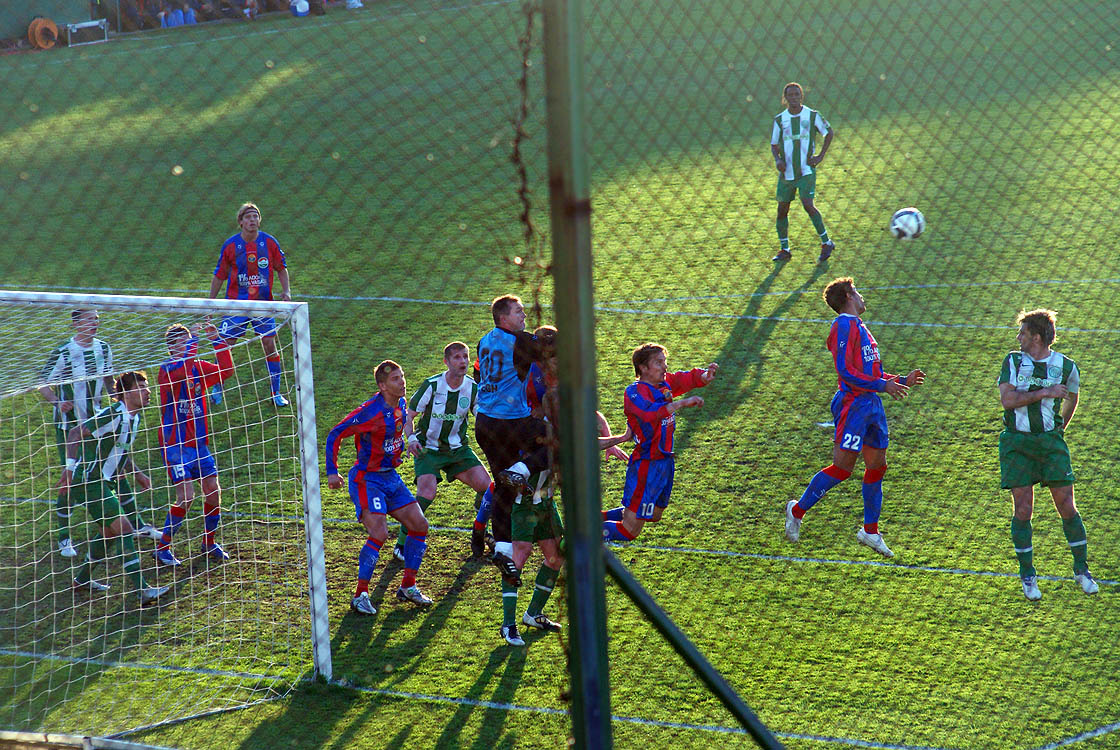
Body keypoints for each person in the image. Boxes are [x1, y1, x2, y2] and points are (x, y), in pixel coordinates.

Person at [499, 328, 632, 646]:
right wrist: (618, 440)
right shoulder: (536, 384)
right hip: (530, 481)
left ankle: (532, 614)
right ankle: (507, 625)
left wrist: (606, 432)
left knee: (555, 556)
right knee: (520, 553)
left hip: (546, 490)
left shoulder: (559, 383)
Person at [784, 277, 925, 557]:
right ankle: (796, 510)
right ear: (849, 295)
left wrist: (899, 380)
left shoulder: (860, 327)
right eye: (858, 291)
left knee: (877, 466)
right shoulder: (843, 325)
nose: (863, 297)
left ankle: (870, 531)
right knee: (842, 468)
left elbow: (870, 374)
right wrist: (883, 385)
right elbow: (845, 372)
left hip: (871, 404)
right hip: (853, 405)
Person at [998, 309, 1097, 600]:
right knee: (1023, 510)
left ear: (1037, 337)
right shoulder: (1014, 361)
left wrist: (1059, 428)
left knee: (1067, 506)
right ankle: (1028, 575)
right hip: (1017, 443)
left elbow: (1073, 396)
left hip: (1051, 444)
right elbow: (1008, 400)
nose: (1018, 338)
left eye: (1023, 333)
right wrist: (1044, 393)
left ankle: (1082, 569)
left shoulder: (1066, 366)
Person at [326, 360, 433, 616]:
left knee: (420, 525)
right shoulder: (370, 412)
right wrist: (332, 471)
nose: (403, 381)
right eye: (396, 379)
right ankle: (360, 594)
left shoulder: (401, 403)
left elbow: (404, 422)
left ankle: (408, 586)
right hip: (367, 480)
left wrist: (409, 440)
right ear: (383, 386)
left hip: (391, 478)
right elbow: (335, 434)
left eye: (402, 376)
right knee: (380, 533)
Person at [60, 371, 171, 607]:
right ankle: (143, 590)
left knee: (109, 533)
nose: (147, 391)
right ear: (125, 392)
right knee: (124, 528)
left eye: (147, 386)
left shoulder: (134, 418)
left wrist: (138, 474)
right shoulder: (113, 414)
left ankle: (81, 580)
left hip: (103, 482)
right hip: (89, 481)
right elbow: (74, 433)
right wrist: (69, 470)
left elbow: (119, 451)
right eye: (141, 387)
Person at [601, 343, 718, 542]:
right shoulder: (634, 392)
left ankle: (597, 518)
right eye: (658, 363)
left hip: (664, 462)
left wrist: (703, 377)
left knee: (654, 514)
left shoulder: (664, 385)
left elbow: (683, 378)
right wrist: (681, 403)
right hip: (647, 463)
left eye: (665, 362)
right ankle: (583, 533)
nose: (664, 367)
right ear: (643, 368)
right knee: (630, 530)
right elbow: (649, 413)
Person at [392, 341, 491, 563]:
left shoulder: (472, 388)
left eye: (465, 357)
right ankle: (400, 544)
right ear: (446, 362)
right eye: (457, 358)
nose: (463, 361)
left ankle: (480, 529)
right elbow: (408, 416)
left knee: (489, 489)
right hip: (429, 450)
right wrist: (411, 439)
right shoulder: (432, 386)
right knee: (427, 493)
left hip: (458, 450)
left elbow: (482, 418)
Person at [474, 295, 548, 587]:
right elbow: (552, 352)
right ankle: (524, 470)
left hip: (485, 423)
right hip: (512, 422)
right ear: (504, 318)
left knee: (503, 489)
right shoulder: (520, 342)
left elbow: (480, 373)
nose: (524, 316)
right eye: (519, 312)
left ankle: (503, 552)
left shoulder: (484, 340)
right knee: (555, 445)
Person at [39, 309, 122, 558]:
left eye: (97, 318)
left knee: (103, 472)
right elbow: (42, 382)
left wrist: (119, 396)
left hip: (95, 424)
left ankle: (117, 525)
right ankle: (64, 537)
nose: (95, 322)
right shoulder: (65, 350)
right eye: (89, 319)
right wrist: (57, 402)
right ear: (76, 324)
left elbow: (108, 378)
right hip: (67, 426)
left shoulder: (104, 348)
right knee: (71, 478)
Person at [153, 323, 235, 566]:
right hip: (175, 445)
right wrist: (197, 339)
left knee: (213, 491)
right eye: (183, 341)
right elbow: (184, 367)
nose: (189, 345)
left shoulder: (198, 367)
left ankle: (208, 543)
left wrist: (216, 338)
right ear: (171, 347)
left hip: (199, 445)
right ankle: (163, 547)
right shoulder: (167, 370)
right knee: (186, 497)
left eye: (189, 340)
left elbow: (227, 370)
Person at [209, 202, 292, 408]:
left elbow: (281, 268)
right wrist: (210, 303)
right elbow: (219, 275)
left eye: (255, 216)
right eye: (248, 217)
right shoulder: (230, 245)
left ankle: (276, 392)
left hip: (262, 306)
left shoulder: (269, 243)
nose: (252, 220)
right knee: (225, 346)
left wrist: (286, 291)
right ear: (240, 222)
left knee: (269, 345)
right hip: (236, 306)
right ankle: (217, 385)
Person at [770, 82, 835, 263]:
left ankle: (826, 242)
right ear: (785, 98)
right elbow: (774, 145)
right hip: (786, 174)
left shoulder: (812, 115)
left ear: (801, 96)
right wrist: (778, 160)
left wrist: (820, 156)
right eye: (790, 95)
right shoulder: (779, 120)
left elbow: (829, 133)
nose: (793, 98)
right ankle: (785, 249)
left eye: (796, 94)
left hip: (806, 171)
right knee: (782, 210)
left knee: (808, 204)